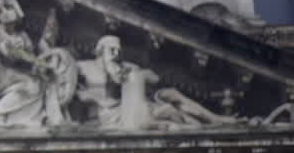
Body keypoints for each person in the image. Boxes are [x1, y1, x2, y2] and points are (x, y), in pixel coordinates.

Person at [75, 35, 236, 129]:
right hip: (113, 116)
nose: (116, 54)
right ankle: (193, 125)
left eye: (118, 50)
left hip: (135, 105)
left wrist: (134, 74)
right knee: (170, 113)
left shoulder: (126, 67)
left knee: (170, 95)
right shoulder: (85, 67)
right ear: (100, 51)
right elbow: (67, 81)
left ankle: (215, 119)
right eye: (112, 50)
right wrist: (88, 96)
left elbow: (155, 78)